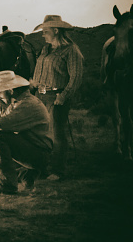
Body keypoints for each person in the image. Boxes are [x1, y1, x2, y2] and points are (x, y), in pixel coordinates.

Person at [31, 15, 83, 181]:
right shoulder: (46, 49)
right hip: (40, 96)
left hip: (56, 96)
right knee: (40, 134)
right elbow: (39, 71)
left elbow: (76, 76)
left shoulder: (71, 50)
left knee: (56, 134)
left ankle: (57, 170)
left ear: (56, 30)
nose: (43, 34)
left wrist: (64, 95)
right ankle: (42, 168)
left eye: (45, 31)